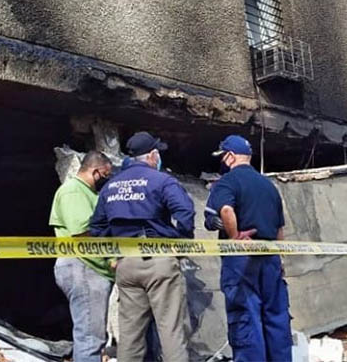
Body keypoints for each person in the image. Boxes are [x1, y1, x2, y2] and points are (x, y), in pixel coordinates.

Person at [90, 131, 194, 362]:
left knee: (130, 337)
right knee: (171, 331)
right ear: (153, 155)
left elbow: (96, 227)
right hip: (159, 261)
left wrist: (113, 252)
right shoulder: (162, 181)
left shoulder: (111, 186)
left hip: (126, 265)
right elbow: (185, 212)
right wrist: (182, 242)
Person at [204, 135, 292, 362]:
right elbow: (279, 229)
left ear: (231, 156)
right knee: (276, 319)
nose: (222, 161)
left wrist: (234, 237)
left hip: (241, 260)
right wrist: (280, 259)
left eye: (223, 156)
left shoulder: (226, 182)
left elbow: (225, 211)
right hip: (270, 257)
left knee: (246, 318)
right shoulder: (269, 186)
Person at [49, 151, 114, 362]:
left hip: (90, 269)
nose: (108, 179)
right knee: (90, 337)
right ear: (96, 171)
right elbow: (82, 232)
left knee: (93, 335)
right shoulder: (73, 192)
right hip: (84, 269)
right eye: (106, 174)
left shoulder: (90, 194)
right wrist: (110, 257)